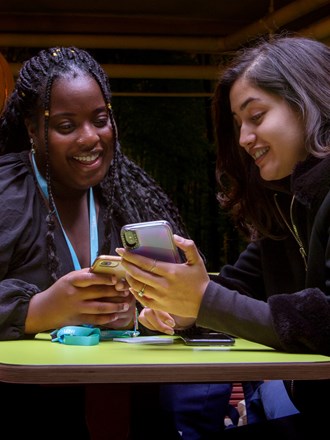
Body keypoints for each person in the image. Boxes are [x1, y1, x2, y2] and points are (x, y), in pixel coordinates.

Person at [0, 46, 235, 439]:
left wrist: (163, 314)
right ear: (30, 128)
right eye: (65, 125)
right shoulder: (6, 192)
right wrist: (37, 310)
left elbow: (191, 301)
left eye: (100, 119)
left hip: (134, 414)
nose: (90, 138)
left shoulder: (133, 194)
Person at [116, 34, 330, 438]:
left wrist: (203, 300)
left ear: (307, 103)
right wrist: (179, 311)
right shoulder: (284, 206)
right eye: (238, 125)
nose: (245, 138)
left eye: (257, 116)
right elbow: (235, 290)